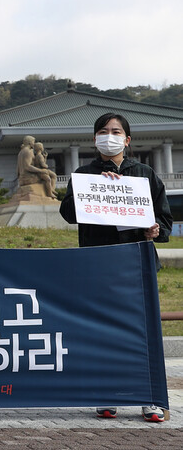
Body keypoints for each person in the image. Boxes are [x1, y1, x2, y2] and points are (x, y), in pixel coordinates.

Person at [59, 112, 172, 423]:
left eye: (116, 131)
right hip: (98, 263)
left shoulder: (145, 173)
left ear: (127, 139)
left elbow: (164, 222)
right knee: (101, 330)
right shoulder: (84, 174)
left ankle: (150, 398)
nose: (109, 135)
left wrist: (154, 231)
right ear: (95, 139)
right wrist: (92, 188)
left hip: (137, 265)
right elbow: (68, 213)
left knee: (144, 331)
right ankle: (106, 393)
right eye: (103, 131)